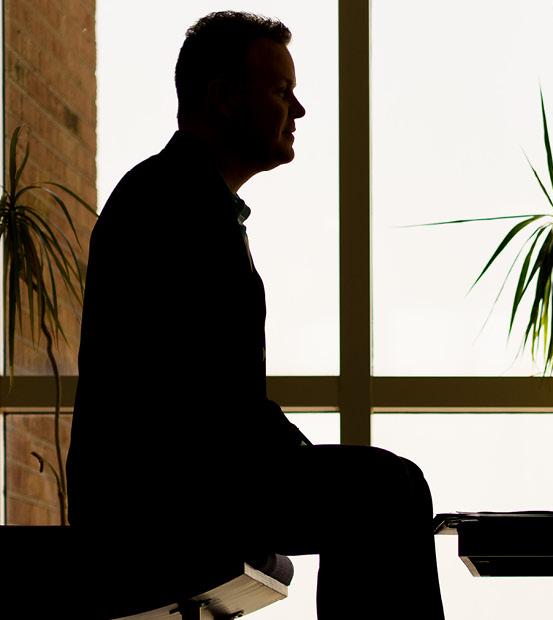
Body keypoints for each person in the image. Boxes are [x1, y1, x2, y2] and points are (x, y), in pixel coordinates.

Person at [65, 12, 445, 619]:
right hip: (167, 494)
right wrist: (297, 458)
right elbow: (208, 404)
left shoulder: (172, 197)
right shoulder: (177, 208)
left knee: (376, 490)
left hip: (163, 485)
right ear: (221, 97)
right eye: (280, 91)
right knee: (386, 491)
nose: (298, 111)